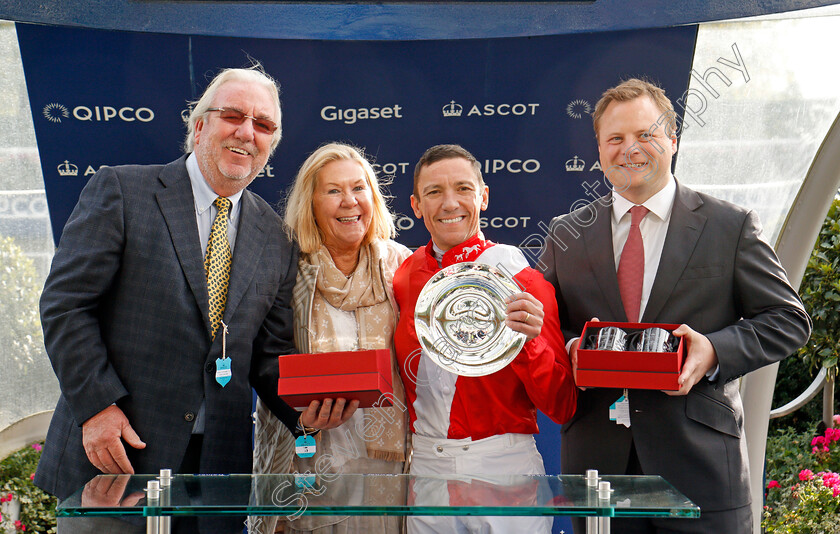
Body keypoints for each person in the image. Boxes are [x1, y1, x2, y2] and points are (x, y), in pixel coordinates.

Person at [34, 65, 355, 530]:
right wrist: (97, 408)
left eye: (263, 125)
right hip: (117, 454)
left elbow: (268, 356)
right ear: (200, 125)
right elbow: (66, 305)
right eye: (233, 116)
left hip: (217, 475)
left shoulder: (277, 236)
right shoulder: (124, 191)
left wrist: (308, 409)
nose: (247, 132)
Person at [539, 78, 812, 533]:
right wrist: (570, 348)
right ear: (600, 150)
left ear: (673, 140)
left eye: (645, 134)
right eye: (616, 139)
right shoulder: (566, 234)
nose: (631, 149)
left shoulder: (729, 226)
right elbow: (546, 328)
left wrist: (714, 350)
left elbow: (788, 319)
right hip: (598, 469)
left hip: (700, 469)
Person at [393, 144, 578, 534]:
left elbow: (562, 404)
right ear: (415, 205)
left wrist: (528, 344)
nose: (449, 203)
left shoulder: (520, 277)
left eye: (463, 188)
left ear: (484, 195)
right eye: (434, 192)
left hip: (505, 469)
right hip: (427, 465)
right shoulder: (402, 275)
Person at [252, 142, 411, 534]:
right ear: (311, 202)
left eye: (359, 188)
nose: (349, 201)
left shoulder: (401, 265)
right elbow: (262, 357)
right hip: (309, 456)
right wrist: (301, 418)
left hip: (384, 466)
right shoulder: (286, 270)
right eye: (334, 191)